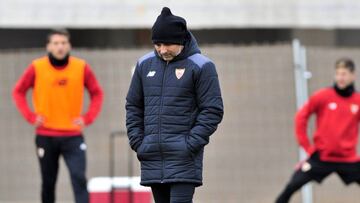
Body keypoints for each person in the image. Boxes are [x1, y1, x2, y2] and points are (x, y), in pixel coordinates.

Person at [126, 7, 224, 203]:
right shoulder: (144, 65)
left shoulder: (202, 65)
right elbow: (133, 105)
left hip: (184, 158)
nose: (162, 50)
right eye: (158, 44)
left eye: (168, 44)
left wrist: (190, 144)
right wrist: (139, 143)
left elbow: (212, 110)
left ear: (181, 40)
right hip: (152, 156)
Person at [12, 29, 103, 203]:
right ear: (48, 46)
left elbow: (97, 93)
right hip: (46, 136)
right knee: (48, 183)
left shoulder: (81, 67)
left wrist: (87, 117)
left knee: (79, 179)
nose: (59, 46)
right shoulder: (37, 67)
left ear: (69, 45)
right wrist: (30, 116)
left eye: (63, 43)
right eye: (55, 43)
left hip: (73, 136)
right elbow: (18, 91)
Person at [276, 58, 360, 203]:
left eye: (344, 74)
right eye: (338, 74)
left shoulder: (357, 100)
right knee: (291, 186)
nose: (340, 77)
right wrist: (308, 147)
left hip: (348, 159)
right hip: (321, 157)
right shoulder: (323, 96)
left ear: (353, 76)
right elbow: (301, 117)